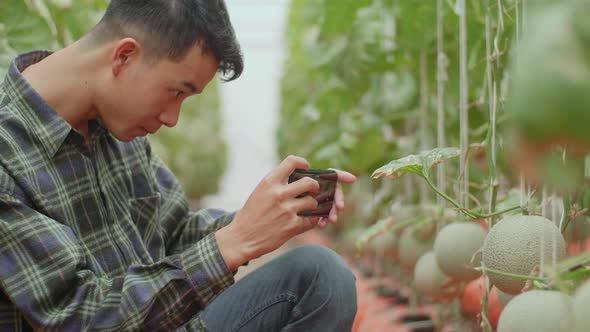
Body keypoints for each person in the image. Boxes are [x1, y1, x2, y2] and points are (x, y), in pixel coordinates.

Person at [0, 0, 358, 331]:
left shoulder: (118, 132)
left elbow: (174, 235)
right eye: (176, 92)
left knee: (322, 276)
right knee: (318, 274)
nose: (172, 118)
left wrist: (265, 218)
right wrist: (234, 242)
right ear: (124, 56)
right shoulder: (7, 156)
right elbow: (77, 316)